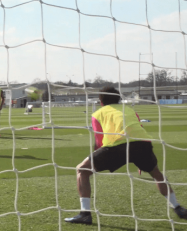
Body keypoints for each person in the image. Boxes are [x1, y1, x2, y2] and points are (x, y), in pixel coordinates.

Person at [64, 86, 187, 225]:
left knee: (82, 170)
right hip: (143, 144)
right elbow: (138, 129)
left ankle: (85, 214)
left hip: (118, 145)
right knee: (157, 174)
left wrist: (95, 158)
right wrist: (139, 159)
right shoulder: (130, 110)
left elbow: (99, 141)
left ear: (101, 100)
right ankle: (177, 207)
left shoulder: (98, 114)